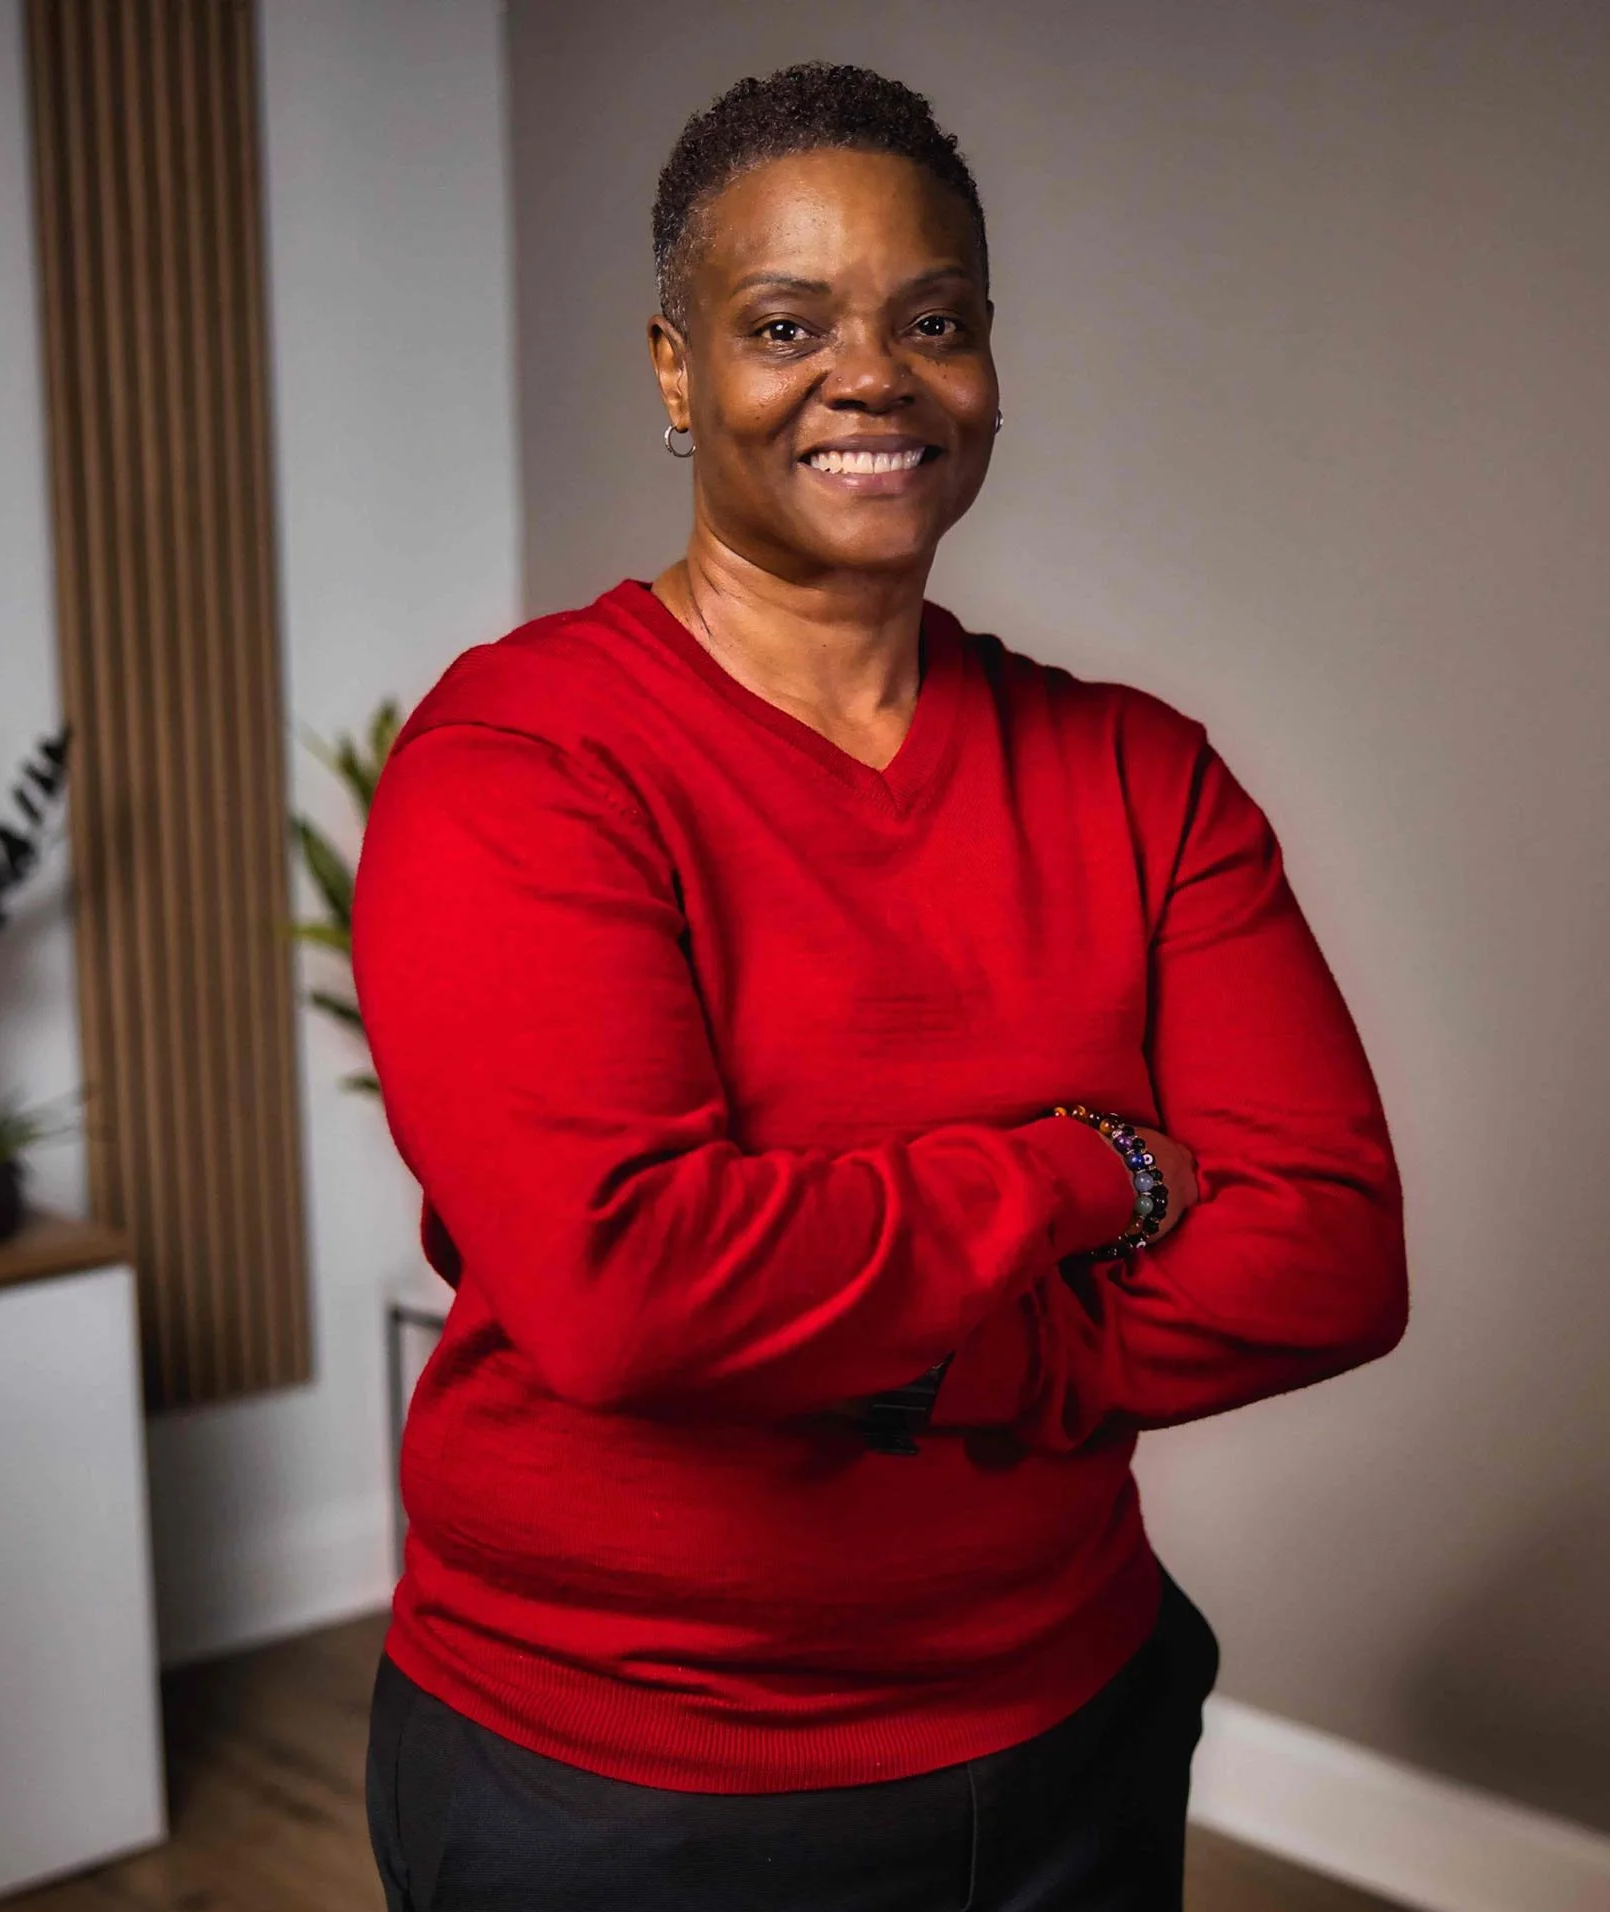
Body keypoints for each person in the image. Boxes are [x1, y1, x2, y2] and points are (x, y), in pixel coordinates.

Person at [351, 61, 1407, 1912]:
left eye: (935, 320)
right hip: (619, 1782)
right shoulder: (525, 760)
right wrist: (1091, 1172)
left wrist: (962, 1358)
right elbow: (631, 1290)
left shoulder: (1141, 776)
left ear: (989, 358)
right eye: (785, 324)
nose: (873, 376)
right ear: (679, 373)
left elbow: (1330, 1248)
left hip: (1069, 1720)